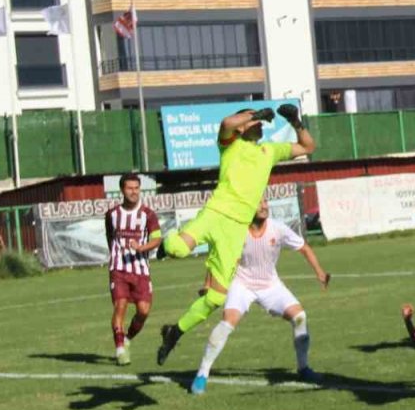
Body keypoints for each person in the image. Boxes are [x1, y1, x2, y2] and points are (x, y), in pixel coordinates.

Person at [156, 104, 315, 365]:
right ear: (242, 125)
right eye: (254, 121)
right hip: (215, 214)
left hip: (235, 229)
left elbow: (308, 148)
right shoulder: (230, 144)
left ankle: (174, 332)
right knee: (176, 249)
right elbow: (225, 124)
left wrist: (296, 122)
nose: (260, 125)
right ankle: (168, 238)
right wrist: (254, 115)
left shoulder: (269, 151)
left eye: (261, 121)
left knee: (217, 297)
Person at [189, 200, 330, 395]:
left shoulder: (278, 229)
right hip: (242, 285)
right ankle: (202, 374)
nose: (263, 206)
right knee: (228, 323)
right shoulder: (237, 232)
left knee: (300, 317)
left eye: (265, 202)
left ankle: (303, 368)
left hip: (271, 285)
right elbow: (217, 256)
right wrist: (207, 283)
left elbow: (304, 248)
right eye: (258, 203)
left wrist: (320, 273)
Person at [104, 173, 162, 365]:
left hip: (141, 270)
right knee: (120, 305)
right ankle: (120, 349)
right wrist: (116, 255)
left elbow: (156, 239)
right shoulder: (112, 215)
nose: (134, 192)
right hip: (118, 269)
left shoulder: (148, 215)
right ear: (122, 190)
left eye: (137, 188)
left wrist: (141, 248)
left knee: (143, 311)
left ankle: (127, 339)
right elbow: (110, 237)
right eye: (130, 188)